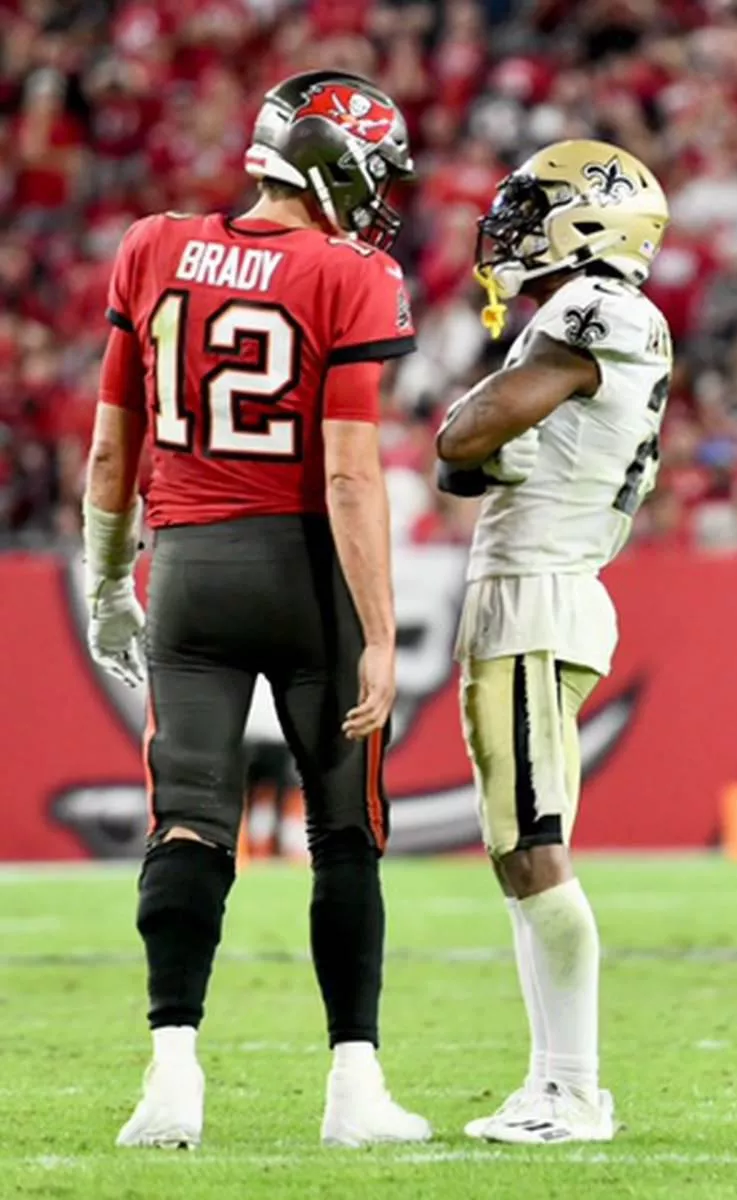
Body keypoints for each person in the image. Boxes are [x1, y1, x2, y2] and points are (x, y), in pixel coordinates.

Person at [82, 69, 432, 1151]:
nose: (378, 195)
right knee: (343, 835)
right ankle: (353, 1088)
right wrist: (379, 631)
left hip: (185, 569)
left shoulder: (151, 247)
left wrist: (104, 583)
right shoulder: (351, 272)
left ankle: (171, 1076)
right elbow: (349, 476)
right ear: (327, 161)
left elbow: (110, 445)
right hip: (306, 574)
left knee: (186, 817)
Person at [437, 140, 672, 1143]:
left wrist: (471, 426)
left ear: (589, 218)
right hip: (528, 593)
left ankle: (570, 1087)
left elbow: (463, 435)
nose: (513, 222)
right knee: (513, 851)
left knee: (532, 850)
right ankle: (555, 1083)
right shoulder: (602, 316)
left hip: (538, 596)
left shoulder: (591, 311)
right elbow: (486, 450)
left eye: (537, 205)